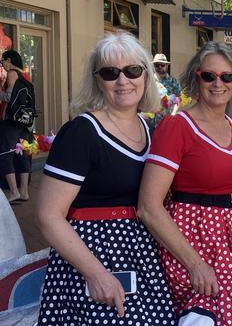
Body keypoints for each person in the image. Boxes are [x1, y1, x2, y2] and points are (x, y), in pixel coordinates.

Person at [35, 32, 176, 325]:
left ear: (146, 76)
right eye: (111, 73)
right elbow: (48, 215)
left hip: (140, 256)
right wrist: (95, 273)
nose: (123, 81)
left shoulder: (147, 128)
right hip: (93, 257)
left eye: (132, 70)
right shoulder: (82, 132)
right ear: (98, 80)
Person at [138, 41, 232, 326]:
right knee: (228, 313)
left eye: (227, 76)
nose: (219, 83)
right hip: (195, 238)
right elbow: (148, 206)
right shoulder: (177, 126)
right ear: (196, 77)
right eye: (209, 76)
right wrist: (195, 264)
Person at [0, 50, 34, 203]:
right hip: (25, 121)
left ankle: (14, 192)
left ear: (9, 60)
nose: (3, 65)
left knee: (5, 154)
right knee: (22, 154)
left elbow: (9, 96)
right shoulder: (25, 75)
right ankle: (24, 192)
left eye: (2, 62)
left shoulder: (12, 73)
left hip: (12, 121)